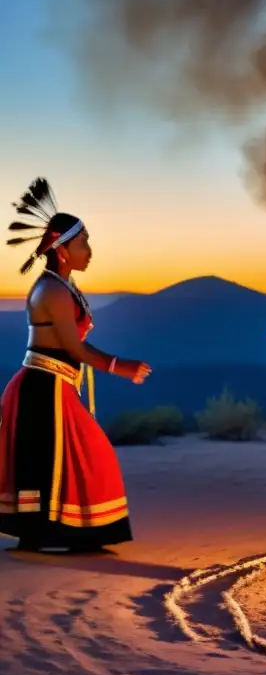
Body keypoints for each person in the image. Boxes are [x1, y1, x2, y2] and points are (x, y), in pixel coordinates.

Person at [0, 178, 151, 552]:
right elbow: (73, 347)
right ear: (62, 251)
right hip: (43, 387)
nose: (89, 251)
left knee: (64, 458)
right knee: (80, 455)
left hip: (53, 385)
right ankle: (65, 533)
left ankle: (63, 533)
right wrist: (120, 366)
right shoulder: (51, 290)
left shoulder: (62, 286)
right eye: (83, 243)